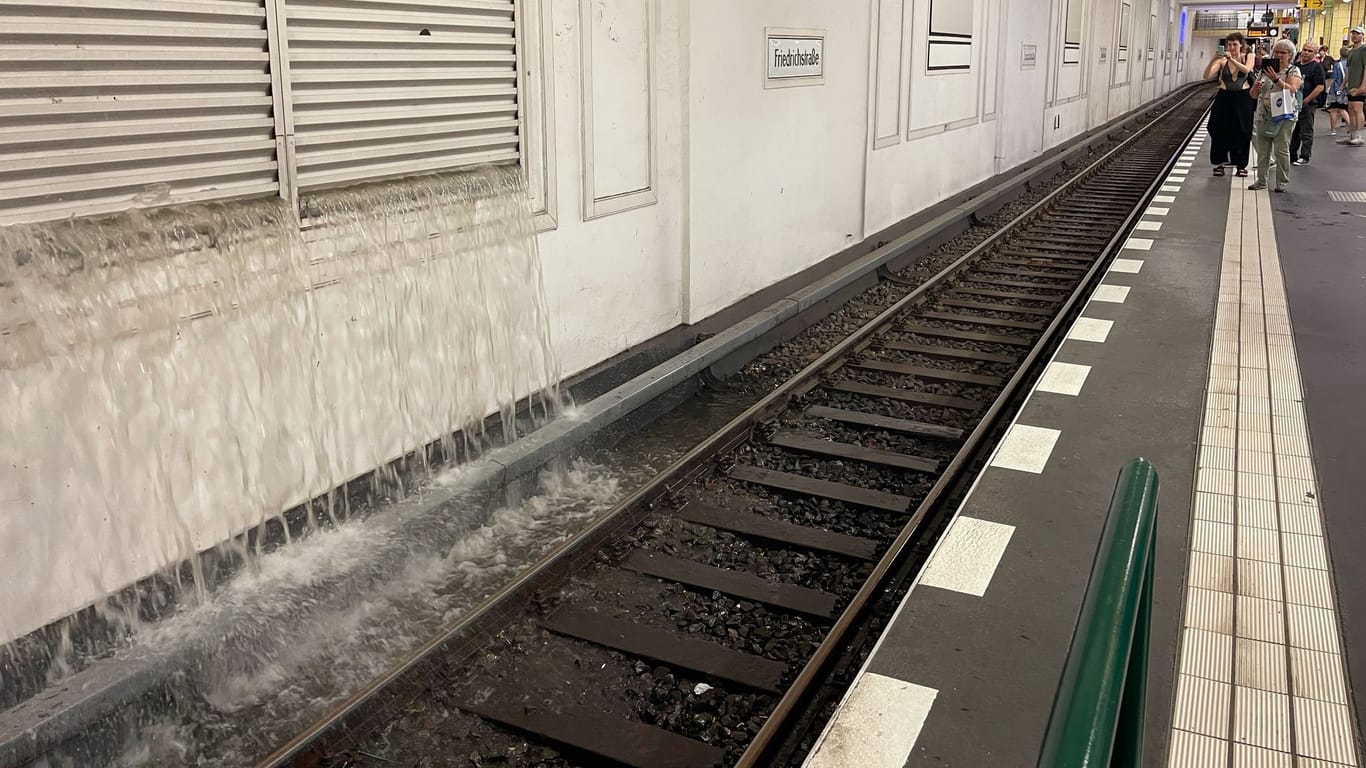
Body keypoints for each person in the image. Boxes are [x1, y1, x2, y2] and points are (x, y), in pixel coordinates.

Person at [1249, 39, 1304, 192]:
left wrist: (1276, 80)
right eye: (1277, 51)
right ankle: (1261, 181)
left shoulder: (1293, 70)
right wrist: (1255, 87)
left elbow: (1292, 89)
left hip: (1284, 116)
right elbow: (1253, 95)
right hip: (1264, 114)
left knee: (1281, 149)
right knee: (1263, 150)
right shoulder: (1264, 70)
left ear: (1290, 55)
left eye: (1283, 52)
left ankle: (1282, 182)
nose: (1279, 55)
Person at [1204, 33, 1257, 177]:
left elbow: (1246, 70)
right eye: (1229, 44)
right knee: (1219, 129)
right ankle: (1219, 162)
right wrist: (1213, 60)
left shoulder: (1248, 56)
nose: (1232, 47)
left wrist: (1232, 60)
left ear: (1241, 45)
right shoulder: (1222, 61)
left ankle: (1240, 164)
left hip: (1242, 98)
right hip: (1224, 97)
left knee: (1242, 130)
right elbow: (1207, 75)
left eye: (1235, 44)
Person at [1290, 42, 1326, 165]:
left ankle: (1305, 156)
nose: (1306, 52)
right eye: (1305, 49)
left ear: (1315, 53)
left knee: (1306, 130)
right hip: (1294, 103)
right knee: (1294, 130)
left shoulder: (1316, 67)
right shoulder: (1295, 66)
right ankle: (1292, 154)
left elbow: (1320, 86)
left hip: (1308, 104)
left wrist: (1307, 99)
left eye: (1310, 51)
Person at [1340, 26, 1366, 146]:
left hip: (1359, 85)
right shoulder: (1351, 51)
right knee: (1350, 109)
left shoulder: (1364, 49)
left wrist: (1363, 86)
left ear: (1362, 36)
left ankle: (1359, 136)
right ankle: (1352, 135)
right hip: (1351, 85)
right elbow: (1348, 70)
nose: (1355, 36)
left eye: (1357, 34)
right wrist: (1342, 85)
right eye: (1353, 34)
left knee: (1357, 109)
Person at [1328, 46, 1351, 135]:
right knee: (1342, 108)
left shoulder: (1338, 65)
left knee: (1333, 110)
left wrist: (1329, 88)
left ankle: (1333, 129)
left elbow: (1334, 78)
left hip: (1336, 89)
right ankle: (1350, 126)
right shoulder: (1349, 65)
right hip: (1345, 90)